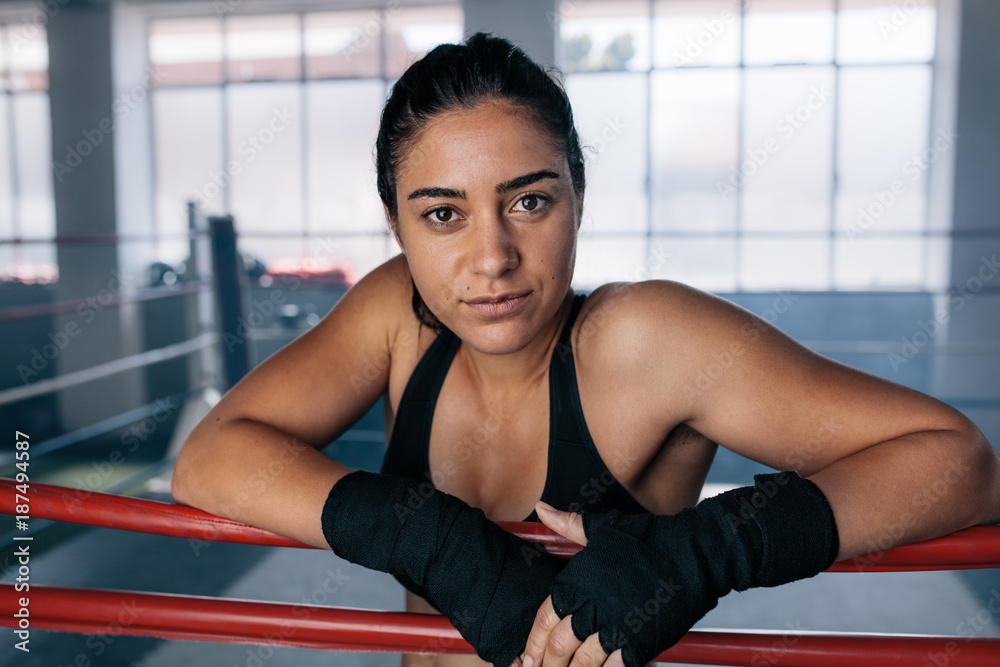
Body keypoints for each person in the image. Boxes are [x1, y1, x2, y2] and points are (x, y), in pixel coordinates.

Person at [171, 32, 1000, 667]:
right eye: (443, 214)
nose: (492, 257)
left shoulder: (647, 340)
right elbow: (208, 460)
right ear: (396, 226)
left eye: (529, 200)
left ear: (578, 194)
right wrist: (437, 540)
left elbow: (960, 462)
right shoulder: (398, 310)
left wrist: (701, 554)